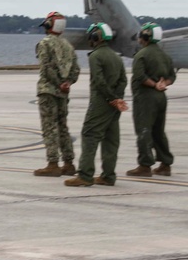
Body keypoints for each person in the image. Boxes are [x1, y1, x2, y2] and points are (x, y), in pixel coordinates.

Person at [65, 22, 128, 187]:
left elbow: (99, 81)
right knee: (111, 139)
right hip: (114, 105)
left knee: (89, 135)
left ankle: (85, 175)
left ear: (96, 37)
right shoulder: (116, 56)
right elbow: (123, 80)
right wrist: (118, 98)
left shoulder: (95, 56)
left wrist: (110, 98)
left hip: (101, 102)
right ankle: (108, 176)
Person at [33, 11, 80, 177]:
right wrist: (67, 83)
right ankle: (69, 163)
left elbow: (46, 68)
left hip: (48, 91)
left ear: (48, 25)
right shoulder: (68, 45)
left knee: (49, 126)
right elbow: (75, 70)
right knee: (62, 127)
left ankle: (53, 163)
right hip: (63, 93)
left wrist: (58, 83)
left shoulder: (44, 43)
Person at [126, 23, 176, 177]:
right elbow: (172, 77)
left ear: (146, 36)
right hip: (161, 98)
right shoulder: (164, 55)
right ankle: (165, 163)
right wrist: (162, 85)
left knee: (144, 130)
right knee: (158, 131)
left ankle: (145, 165)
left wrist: (154, 85)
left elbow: (140, 77)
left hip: (146, 98)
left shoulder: (141, 55)